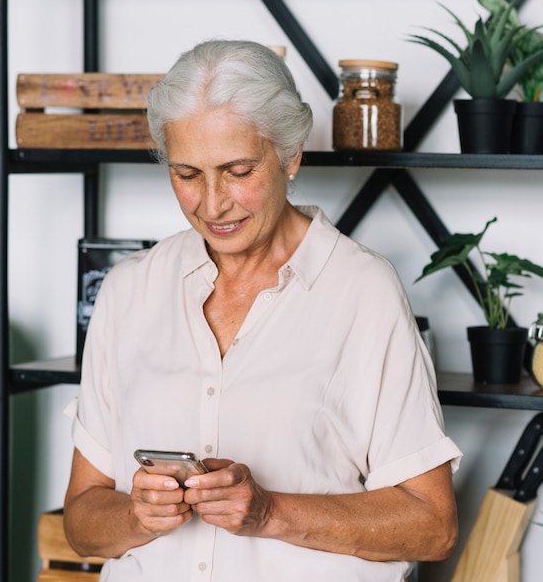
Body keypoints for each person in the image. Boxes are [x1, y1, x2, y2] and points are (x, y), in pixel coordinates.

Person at [63, 39, 462, 582]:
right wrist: (138, 514)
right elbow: (83, 524)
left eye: (237, 170)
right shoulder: (130, 289)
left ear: (291, 154)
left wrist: (270, 512)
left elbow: (432, 526)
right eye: (186, 174)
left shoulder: (362, 291)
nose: (212, 202)